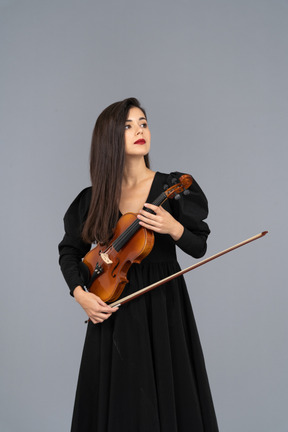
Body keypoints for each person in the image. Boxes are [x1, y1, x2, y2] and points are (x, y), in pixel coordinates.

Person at [58, 97, 218, 432]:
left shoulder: (171, 188)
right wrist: (81, 294)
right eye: (128, 126)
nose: (139, 130)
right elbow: (70, 251)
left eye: (143, 123)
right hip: (113, 305)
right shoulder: (94, 197)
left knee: (166, 397)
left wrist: (173, 228)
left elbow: (199, 245)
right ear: (110, 139)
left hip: (163, 305)